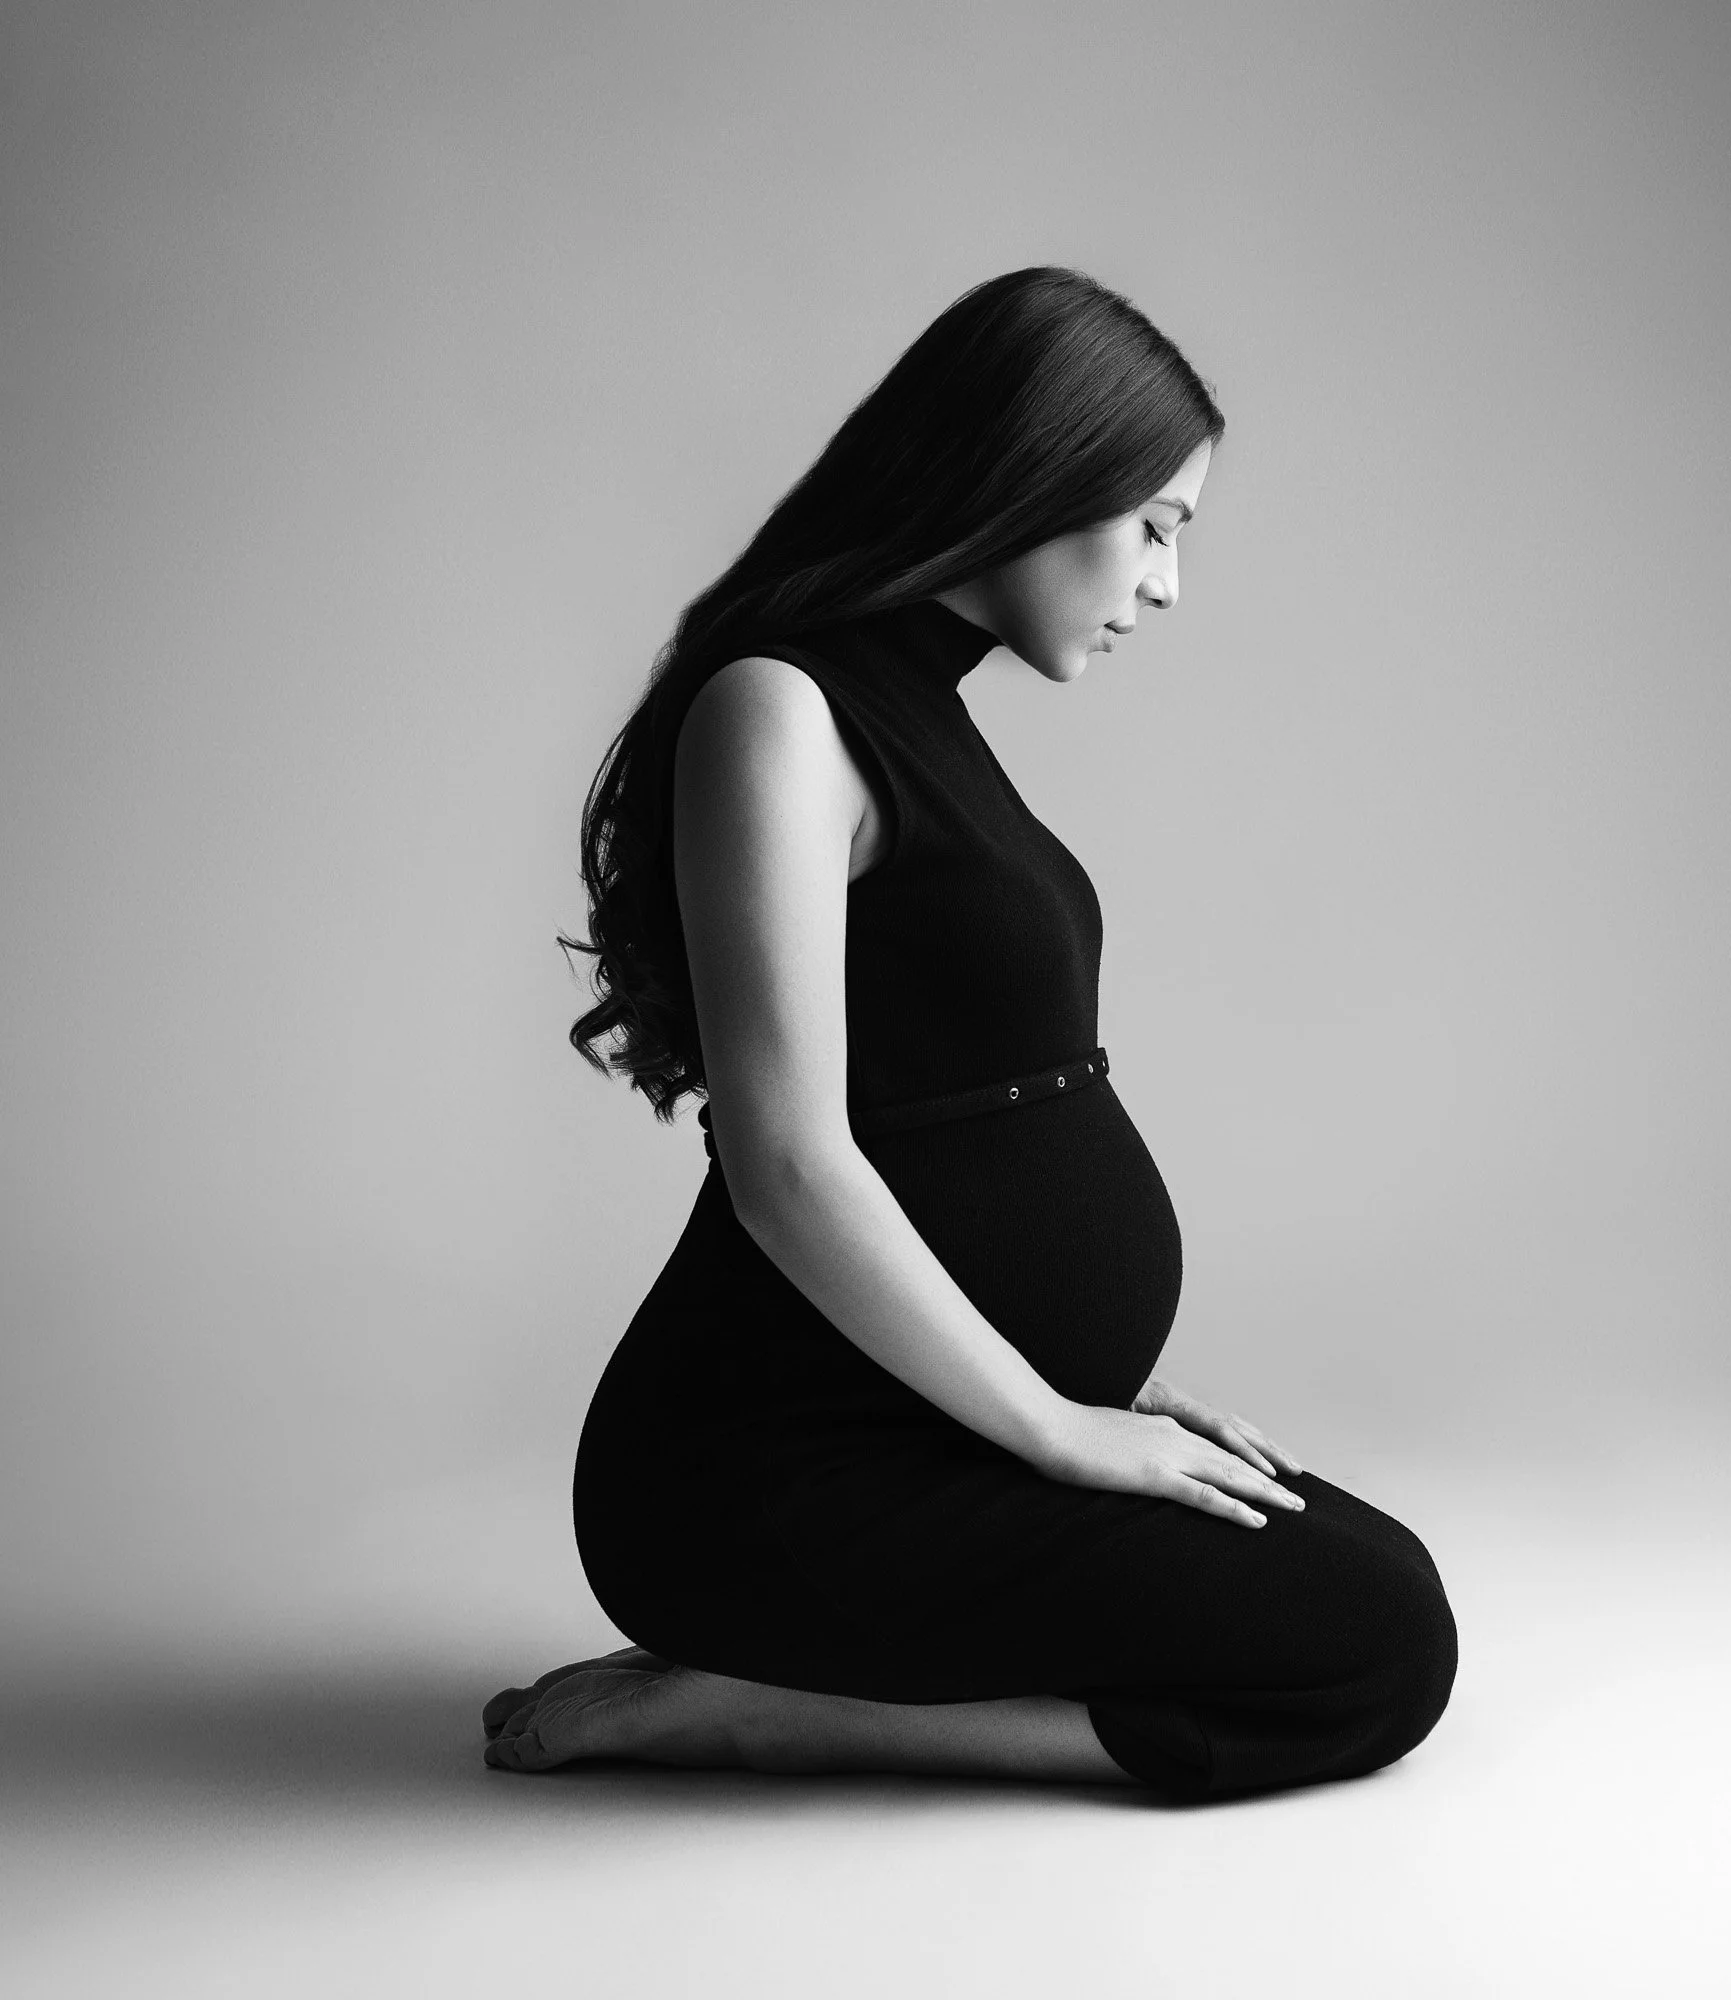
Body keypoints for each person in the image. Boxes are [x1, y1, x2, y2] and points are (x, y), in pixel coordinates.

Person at [482, 269, 1457, 1798]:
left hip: (934, 1429)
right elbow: (792, 1168)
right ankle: (742, 1708)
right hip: (760, 1483)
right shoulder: (778, 709)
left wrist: (1088, 1400)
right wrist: (1059, 1435)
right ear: (1034, 476)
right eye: (1156, 526)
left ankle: (783, 1683)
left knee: (1371, 1581)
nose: (1166, 584)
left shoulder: (928, 721)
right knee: (1374, 1639)